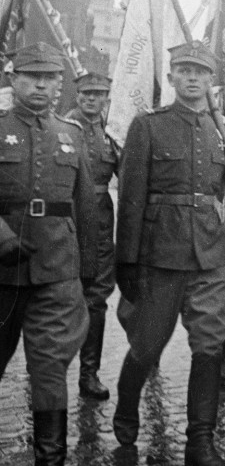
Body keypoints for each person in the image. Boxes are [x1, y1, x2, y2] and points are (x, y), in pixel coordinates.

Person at [112, 41, 225, 466]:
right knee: (147, 347)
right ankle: (127, 408)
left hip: (210, 256)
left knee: (209, 345)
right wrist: (126, 261)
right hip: (159, 257)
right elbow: (131, 200)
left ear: (211, 80)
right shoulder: (148, 127)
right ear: (170, 77)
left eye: (200, 72)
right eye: (183, 70)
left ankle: (200, 442)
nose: (191, 78)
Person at [0, 43, 99, 466]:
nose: (41, 85)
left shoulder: (71, 134)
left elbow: (87, 208)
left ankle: (50, 457)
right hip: (1, 273)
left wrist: (89, 272)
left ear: (60, 84)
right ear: (13, 79)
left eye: (50, 78)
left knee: (50, 366)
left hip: (57, 268)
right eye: (32, 76)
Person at [65, 72, 119, 400]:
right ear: (77, 95)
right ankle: (42, 367)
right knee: (56, 294)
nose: (90, 99)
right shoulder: (62, 127)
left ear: (106, 99)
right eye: (86, 94)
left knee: (96, 297)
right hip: (66, 219)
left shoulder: (112, 133)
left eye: (98, 95)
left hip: (100, 221)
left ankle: (89, 373)